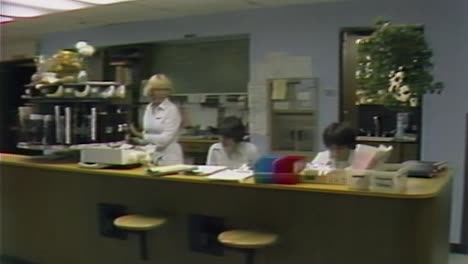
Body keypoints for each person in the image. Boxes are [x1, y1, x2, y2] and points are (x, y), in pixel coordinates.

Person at [129, 74, 183, 165]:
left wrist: (140, 135)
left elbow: (164, 140)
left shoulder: (171, 110)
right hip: (151, 156)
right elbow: (148, 133)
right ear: (150, 91)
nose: (161, 93)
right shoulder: (148, 108)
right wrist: (137, 141)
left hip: (169, 158)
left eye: (165, 89)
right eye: (157, 89)